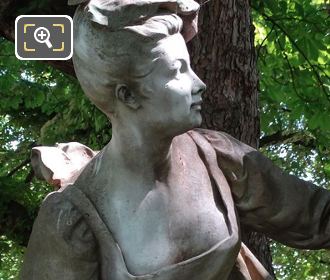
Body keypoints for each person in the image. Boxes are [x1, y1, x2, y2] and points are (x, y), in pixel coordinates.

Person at [20, 0, 330, 279]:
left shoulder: (217, 156)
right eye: (177, 71)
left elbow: (317, 216)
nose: (200, 83)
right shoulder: (72, 220)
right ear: (127, 95)